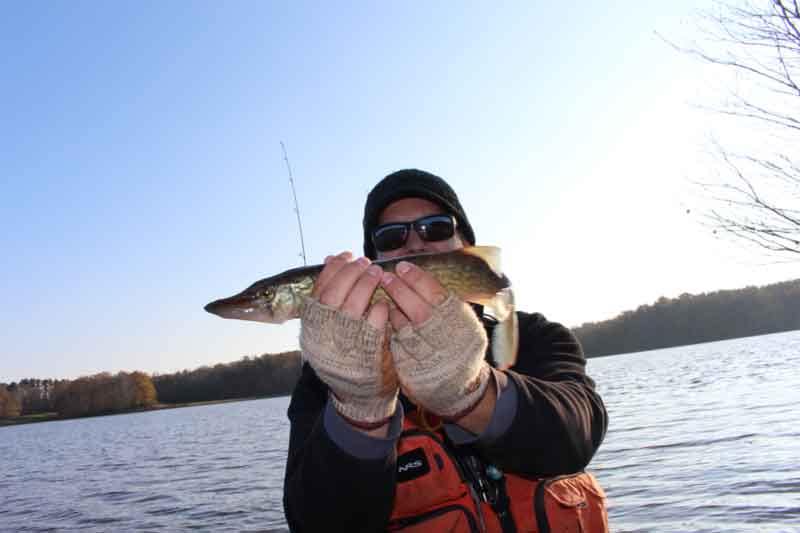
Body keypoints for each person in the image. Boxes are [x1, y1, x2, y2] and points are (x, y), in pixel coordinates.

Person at [283, 169, 608, 532]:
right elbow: (315, 521)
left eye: (435, 228)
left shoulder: (535, 336)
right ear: (371, 265)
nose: (415, 246)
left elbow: (577, 435)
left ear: (467, 248)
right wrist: (358, 410)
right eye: (391, 236)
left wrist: (472, 391)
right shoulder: (328, 376)